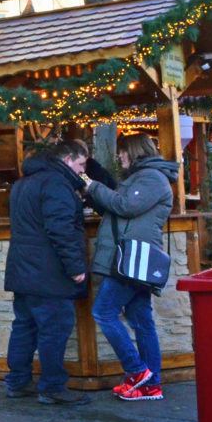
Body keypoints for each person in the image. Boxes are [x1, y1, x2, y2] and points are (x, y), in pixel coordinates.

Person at [85, 133, 177, 402]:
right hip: (134, 260)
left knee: (103, 312)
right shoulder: (144, 176)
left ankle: (137, 372)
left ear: (134, 152)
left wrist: (93, 187)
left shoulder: (151, 178)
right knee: (141, 320)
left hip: (133, 261)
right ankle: (152, 385)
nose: (119, 157)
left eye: (123, 152)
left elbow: (126, 206)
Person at [4, 140, 91, 405]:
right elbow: (61, 229)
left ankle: (17, 382)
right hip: (49, 272)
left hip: (23, 268)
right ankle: (52, 387)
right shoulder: (56, 184)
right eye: (80, 164)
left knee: (24, 326)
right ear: (67, 160)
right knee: (54, 328)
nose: (82, 170)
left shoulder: (23, 183)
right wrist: (76, 267)